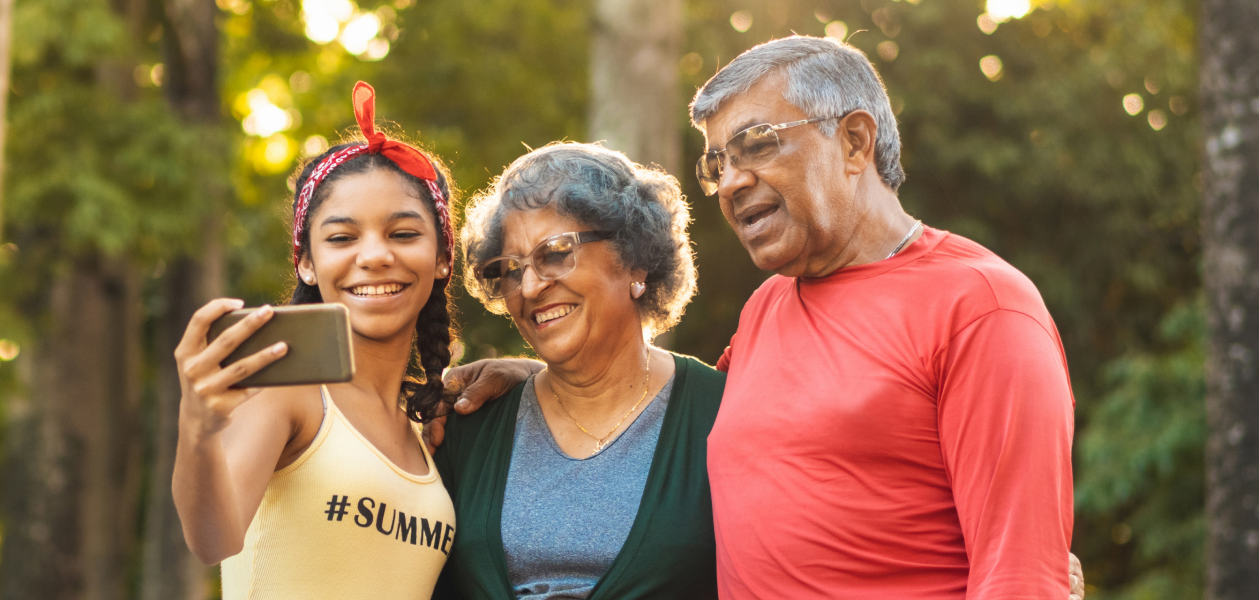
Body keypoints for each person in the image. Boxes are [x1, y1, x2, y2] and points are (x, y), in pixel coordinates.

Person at [441, 36, 1078, 599]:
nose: (730, 182)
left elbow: (1022, 577)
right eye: (717, 163)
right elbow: (653, 401)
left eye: (756, 145)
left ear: (854, 141)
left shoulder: (982, 309)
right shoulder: (768, 309)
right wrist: (533, 374)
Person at [172, 81, 459, 599]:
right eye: (342, 238)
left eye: (403, 234)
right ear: (306, 261)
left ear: (443, 257)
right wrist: (197, 426)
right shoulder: (290, 392)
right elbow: (214, 539)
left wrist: (523, 371)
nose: (373, 256)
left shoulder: (425, 425)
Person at [430, 143, 720, 600]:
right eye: (511, 268)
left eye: (555, 252)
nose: (529, 286)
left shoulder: (720, 413)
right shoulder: (470, 426)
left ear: (636, 259)